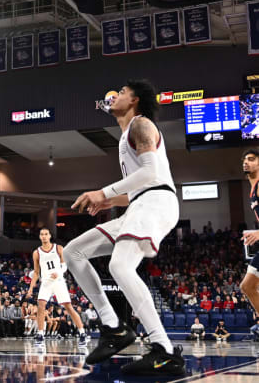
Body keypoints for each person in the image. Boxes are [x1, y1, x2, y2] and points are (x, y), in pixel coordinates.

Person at [65, 79, 185, 376]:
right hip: (140, 203)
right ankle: (113, 326)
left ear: (134, 100)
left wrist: (103, 193)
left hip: (156, 203)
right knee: (73, 253)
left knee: (120, 266)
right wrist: (114, 200)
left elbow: (150, 173)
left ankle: (164, 349)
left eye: (120, 93)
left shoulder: (141, 125)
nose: (114, 96)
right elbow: (142, 181)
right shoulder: (127, 134)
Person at [27, 228, 88, 346]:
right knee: (41, 305)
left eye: (46, 234)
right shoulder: (36, 252)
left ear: (49, 236)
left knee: (69, 307)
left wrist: (58, 273)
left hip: (58, 281)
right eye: (42, 234)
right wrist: (30, 288)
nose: (44, 236)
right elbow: (35, 272)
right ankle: (40, 334)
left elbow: (65, 265)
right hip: (45, 282)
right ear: (40, 237)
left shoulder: (58, 248)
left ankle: (82, 333)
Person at [239, 149, 259, 321]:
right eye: (245, 160)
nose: (246, 162)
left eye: (251, 159)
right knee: (247, 286)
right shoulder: (253, 189)